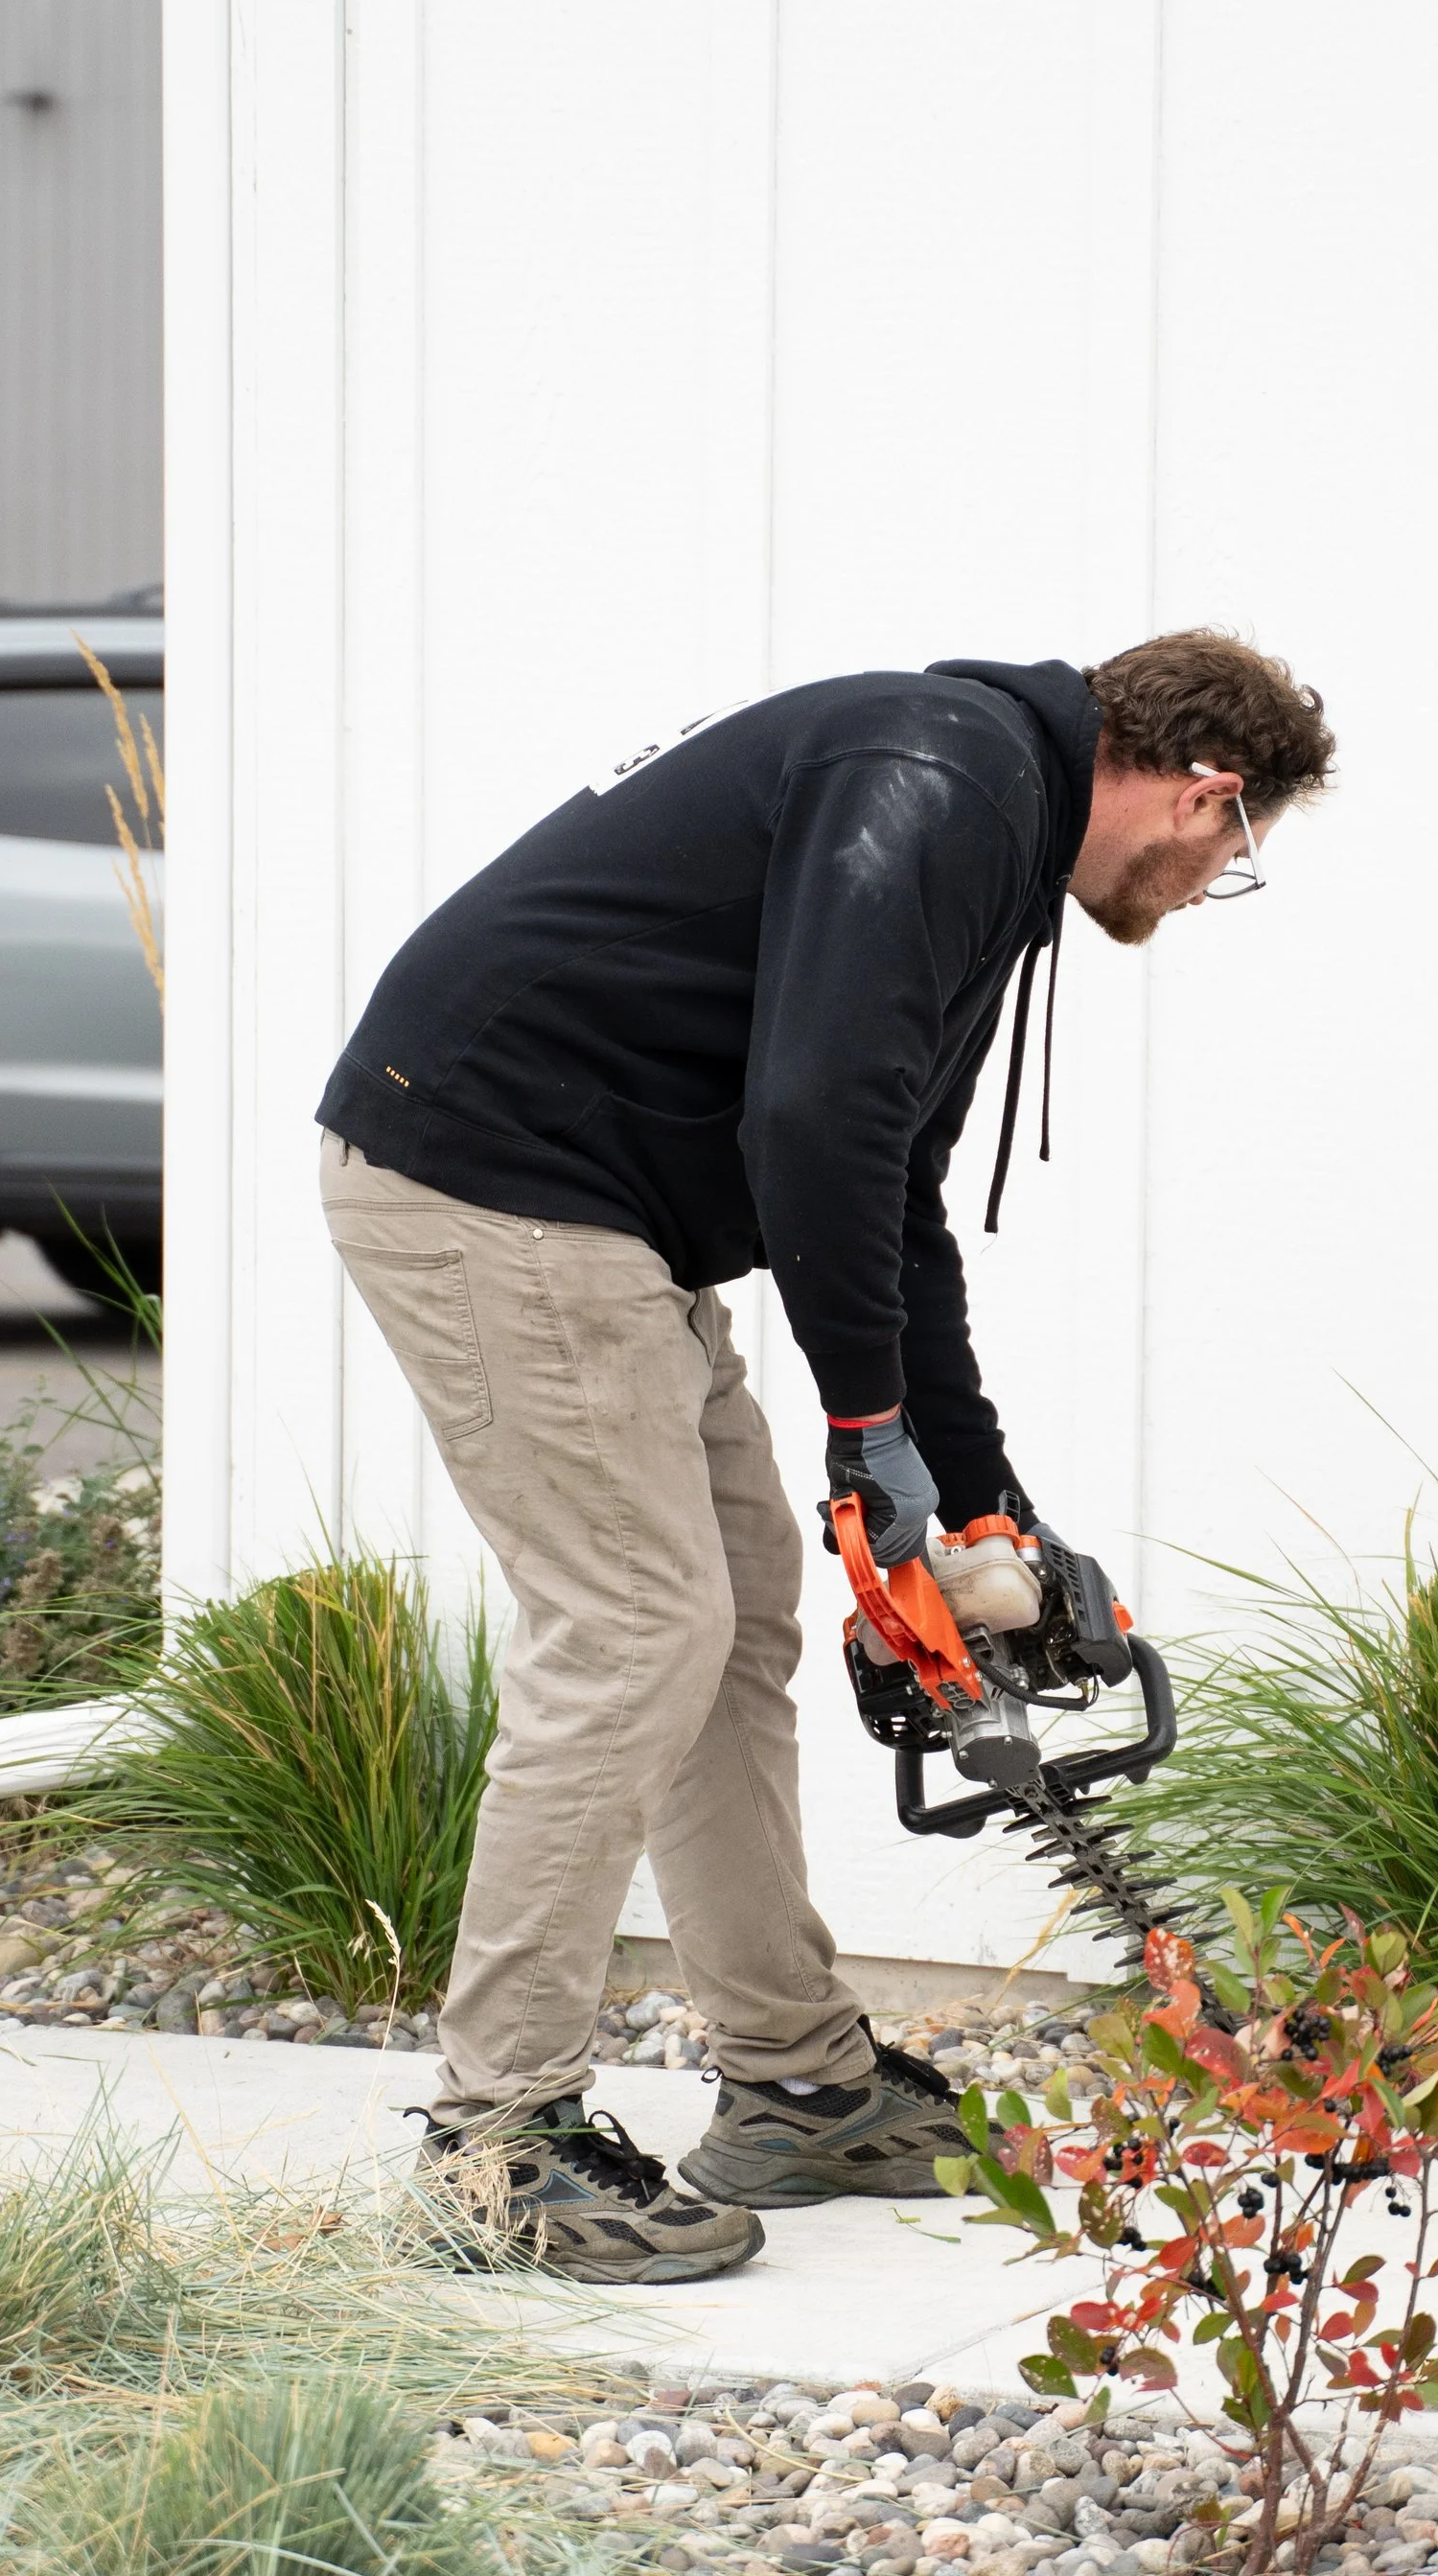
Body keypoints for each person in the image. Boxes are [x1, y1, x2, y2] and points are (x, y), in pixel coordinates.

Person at [318, 630, 1335, 2276]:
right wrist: (868, 1437)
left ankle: (796, 2084)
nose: (1215, 875)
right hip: (491, 1173)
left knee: (727, 1624)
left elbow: (895, 1183)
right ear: (1207, 789)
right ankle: (494, 2145)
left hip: (603, 1209)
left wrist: (974, 1487)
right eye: (1236, 849)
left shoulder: (981, 820)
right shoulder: (946, 782)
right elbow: (811, 1123)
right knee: (636, 1623)